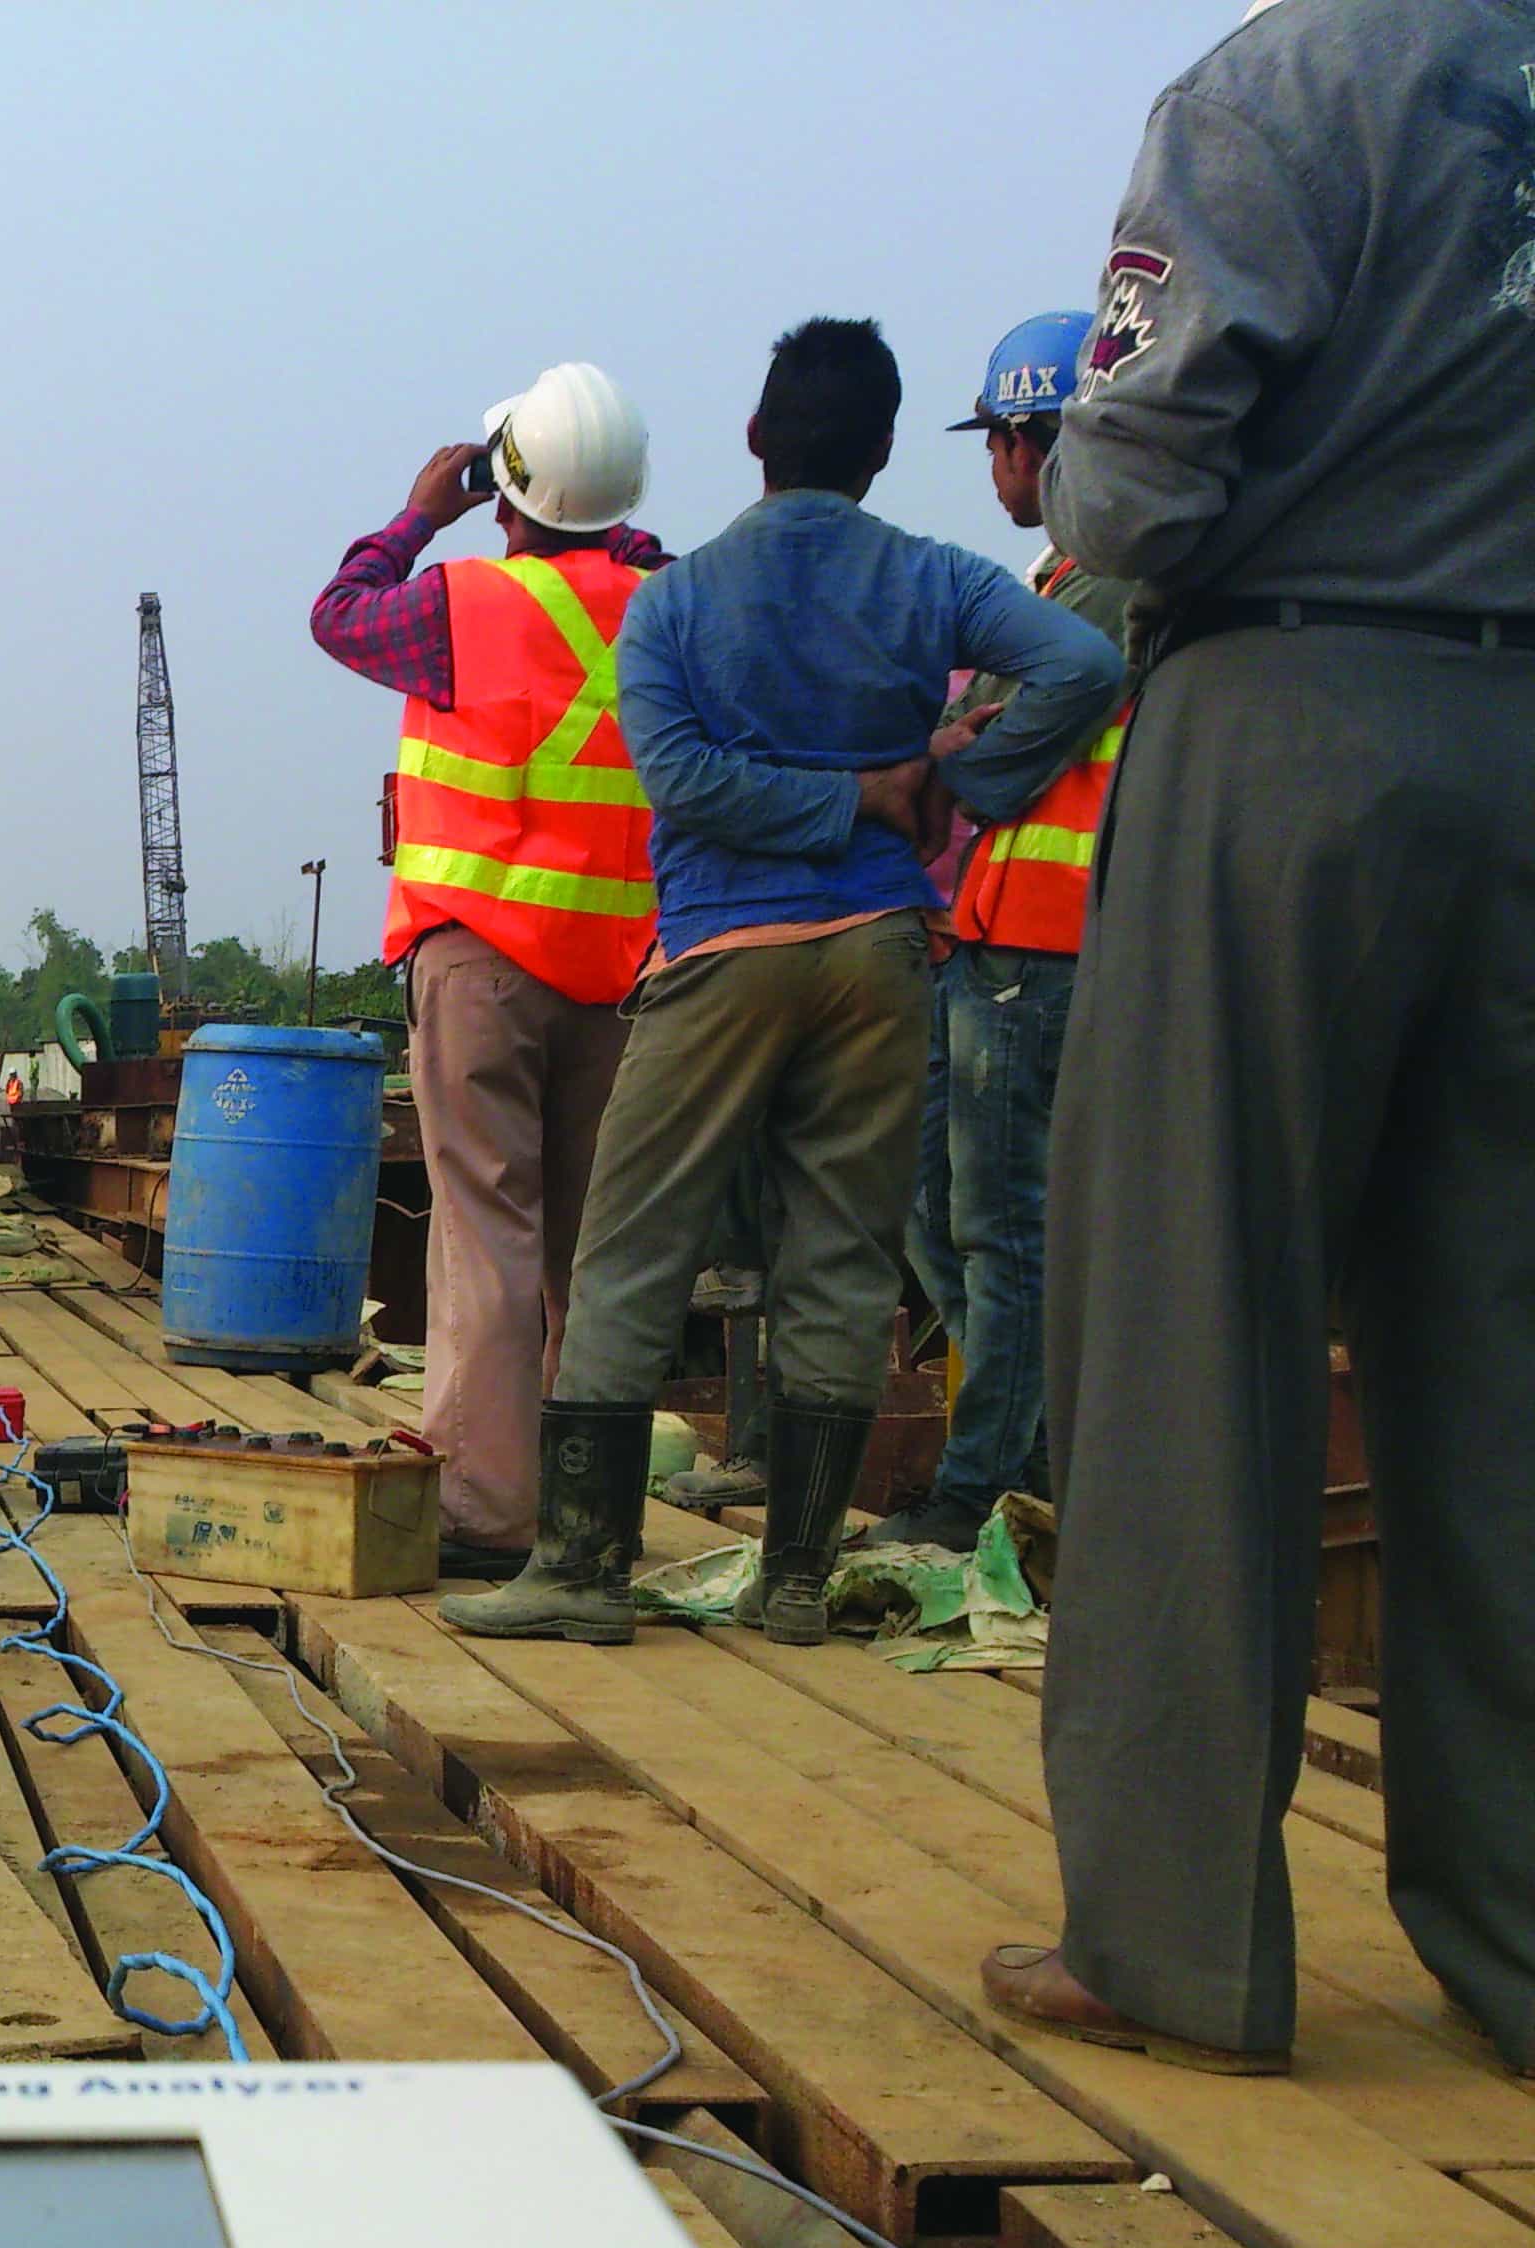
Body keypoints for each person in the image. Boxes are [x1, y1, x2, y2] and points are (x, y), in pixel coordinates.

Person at [998, 0, 1535, 2079]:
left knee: (1188, 1318)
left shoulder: (1285, 83)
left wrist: (1095, 486)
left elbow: (1135, 483)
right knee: (1500, 1354)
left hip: (1292, 722)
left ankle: (1173, 1945)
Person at [443, 317, 1117, 1648]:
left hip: (722, 953)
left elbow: (683, 781)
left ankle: (581, 1568)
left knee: (629, 1249)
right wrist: (944, 783)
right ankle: (796, 1577)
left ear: (755, 437)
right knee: (843, 1256)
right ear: (881, 450)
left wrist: (846, 798)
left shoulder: (678, 602)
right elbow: (1084, 665)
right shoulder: (932, 576)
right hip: (879, 956)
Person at [311, 363, 666, 1577]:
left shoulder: (455, 606)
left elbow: (339, 614)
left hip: (477, 965)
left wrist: (419, 513)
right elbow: (637, 558)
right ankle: (584, 1513)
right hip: (616, 974)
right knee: (587, 1251)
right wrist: (602, 526)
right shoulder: (665, 605)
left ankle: (481, 1508)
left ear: (502, 489)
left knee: (486, 1237)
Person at [869, 316, 1134, 1557]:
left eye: (996, 443)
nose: (991, 468)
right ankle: (1020, 1470)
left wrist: (957, 754)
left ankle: (981, 1494)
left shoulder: (1116, 583)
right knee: (938, 1213)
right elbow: (971, 716)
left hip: (1046, 949)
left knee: (1002, 1231)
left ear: (1041, 440)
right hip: (991, 941)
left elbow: (983, 754)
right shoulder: (1059, 582)